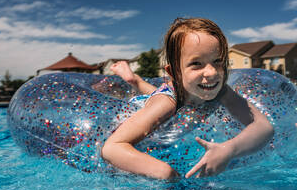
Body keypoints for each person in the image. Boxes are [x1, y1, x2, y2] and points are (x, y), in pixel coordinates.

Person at [101, 18, 274, 180]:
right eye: (196, 63)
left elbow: (263, 126)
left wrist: (228, 149)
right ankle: (133, 80)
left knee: (169, 105)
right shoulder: (165, 103)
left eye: (218, 61)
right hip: (136, 123)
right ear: (174, 72)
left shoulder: (221, 91)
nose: (212, 72)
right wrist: (166, 172)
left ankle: (134, 80)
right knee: (164, 105)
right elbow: (111, 147)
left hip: (172, 105)